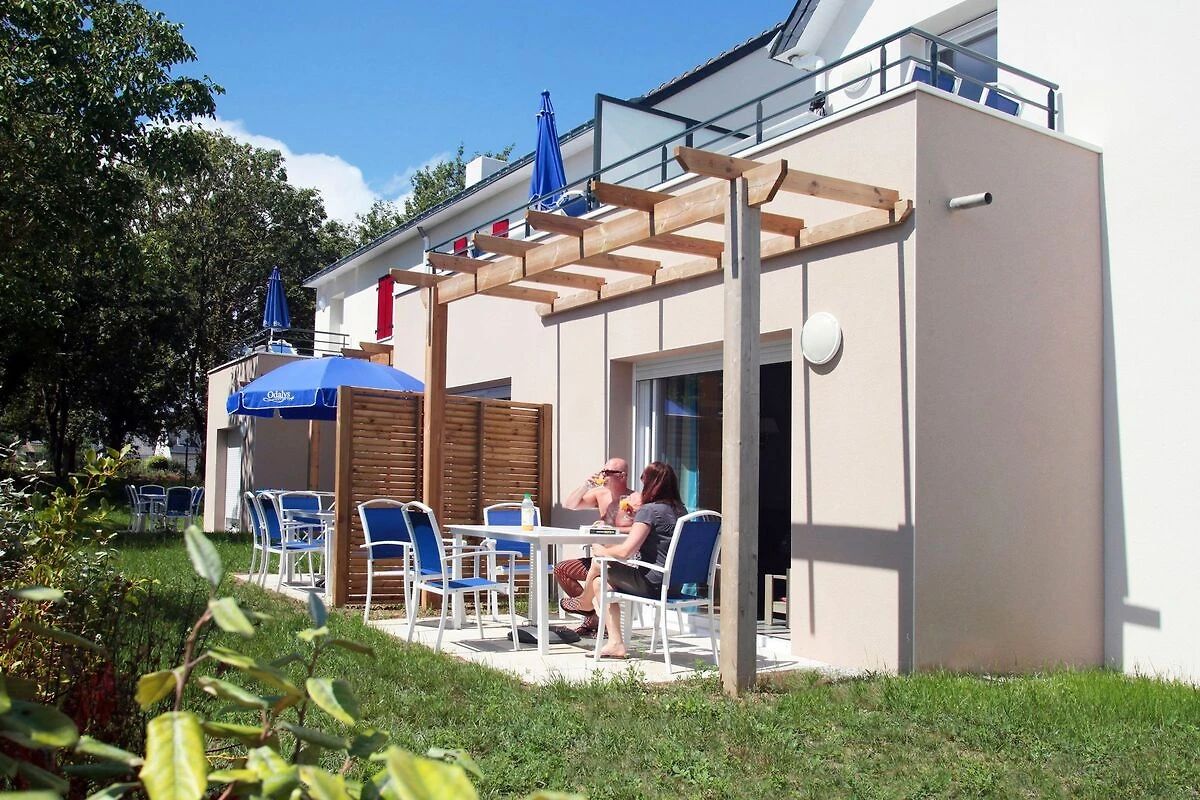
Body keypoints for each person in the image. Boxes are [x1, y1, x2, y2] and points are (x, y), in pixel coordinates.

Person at [559, 461, 686, 658]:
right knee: (600, 583)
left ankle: (584, 603)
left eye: (644, 481)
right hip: (675, 584)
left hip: (653, 583)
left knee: (599, 562)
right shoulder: (680, 511)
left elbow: (626, 551)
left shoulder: (650, 510)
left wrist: (602, 550)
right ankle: (615, 643)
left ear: (652, 484)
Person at [553, 458, 640, 635]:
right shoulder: (600, 495)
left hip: (621, 562)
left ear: (622, 476)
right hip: (598, 559)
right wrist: (586, 486)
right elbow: (570, 505)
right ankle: (592, 617)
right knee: (561, 569)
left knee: (599, 565)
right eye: (603, 471)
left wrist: (612, 528)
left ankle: (590, 609)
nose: (603, 475)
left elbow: (641, 529)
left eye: (608, 472)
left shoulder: (635, 499)